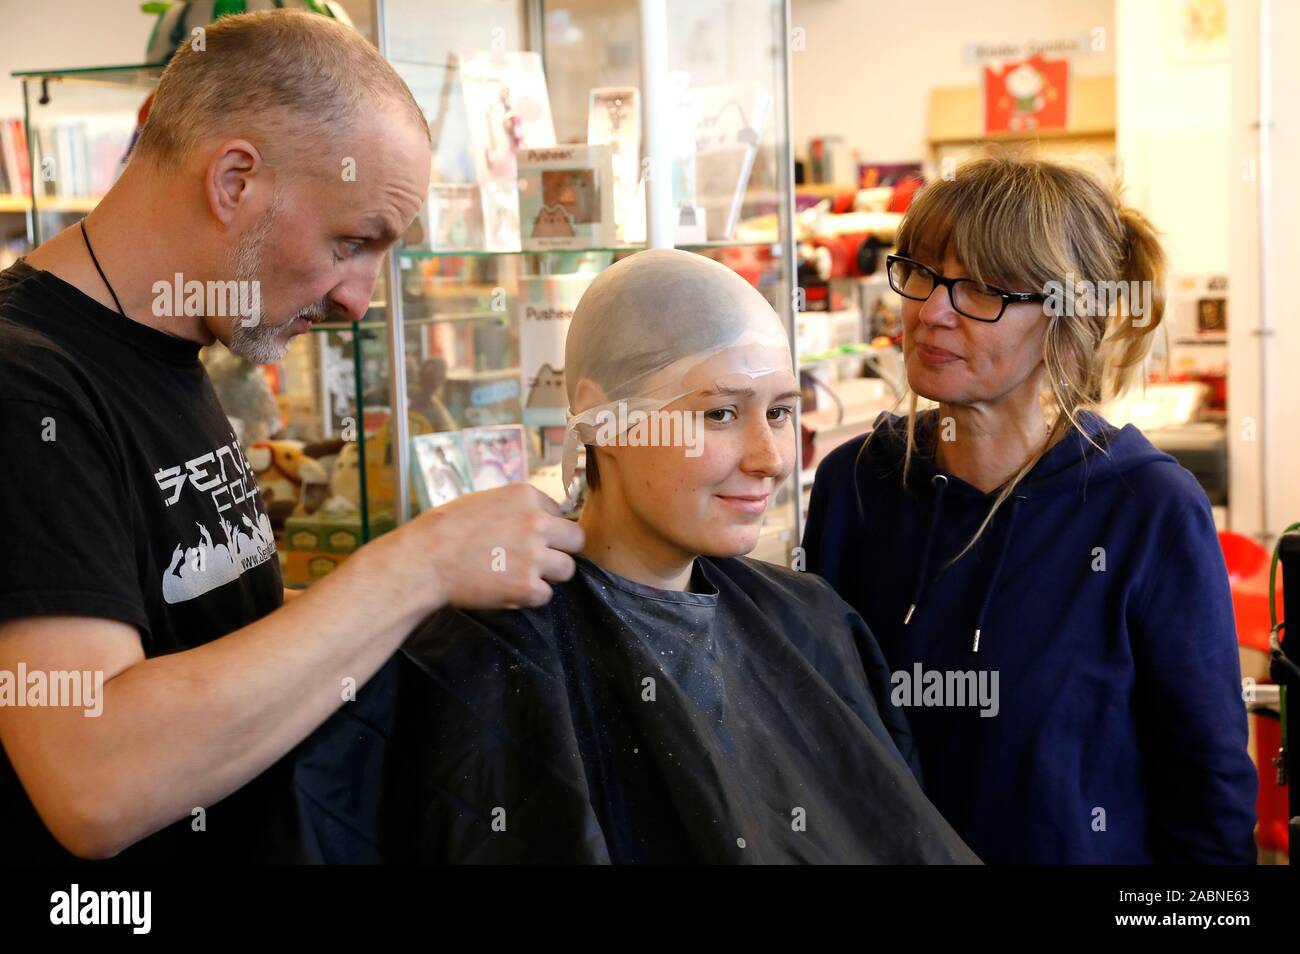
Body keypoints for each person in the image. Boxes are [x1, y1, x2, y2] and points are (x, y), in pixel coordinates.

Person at [0, 11, 582, 863]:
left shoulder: (171, 350)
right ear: (235, 181)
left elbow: (203, 640)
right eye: (353, 241)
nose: (360, 298)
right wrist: (414, 566)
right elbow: (94, 779)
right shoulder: (26, 386)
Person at [289, 249, 975, 864]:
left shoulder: (813, 621)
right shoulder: (485, 657)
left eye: (779, 412)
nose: (771, 458)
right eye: (720, 414)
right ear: (606, 420)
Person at [802, 156, 1257, 864]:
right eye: (919, 272)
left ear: (1065, 318)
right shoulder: (856, 485)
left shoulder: (1146, 509)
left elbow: (1209, 789)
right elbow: (818, 739)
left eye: (981, 289)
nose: (931, 310)